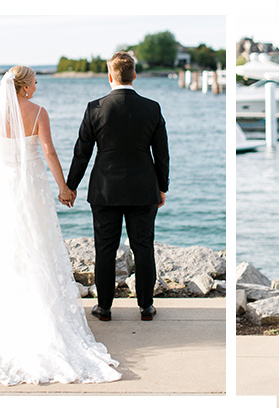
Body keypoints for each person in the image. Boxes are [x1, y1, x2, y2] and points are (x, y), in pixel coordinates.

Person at [0, 65, 122, 385]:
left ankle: (4, 313)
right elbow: (48, 152)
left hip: (4, 189)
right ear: (24, 87)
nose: (37, 85)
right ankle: (42, 314)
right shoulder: (39, 112)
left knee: (4, 246)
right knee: (36, 244)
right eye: (34, 81)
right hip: (32, 187)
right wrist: (64, 188)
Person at [66, 51, 169, 322]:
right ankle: (146, 307)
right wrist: (163, 186)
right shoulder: (152, 108)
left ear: (110, 76)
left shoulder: (95, 108)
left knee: (105, 249)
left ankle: (104, 308)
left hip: (104, 190)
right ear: (134, 75)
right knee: (143, 247)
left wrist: (70, 185)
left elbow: (82, 153)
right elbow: (162, 153)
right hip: (144, 188)